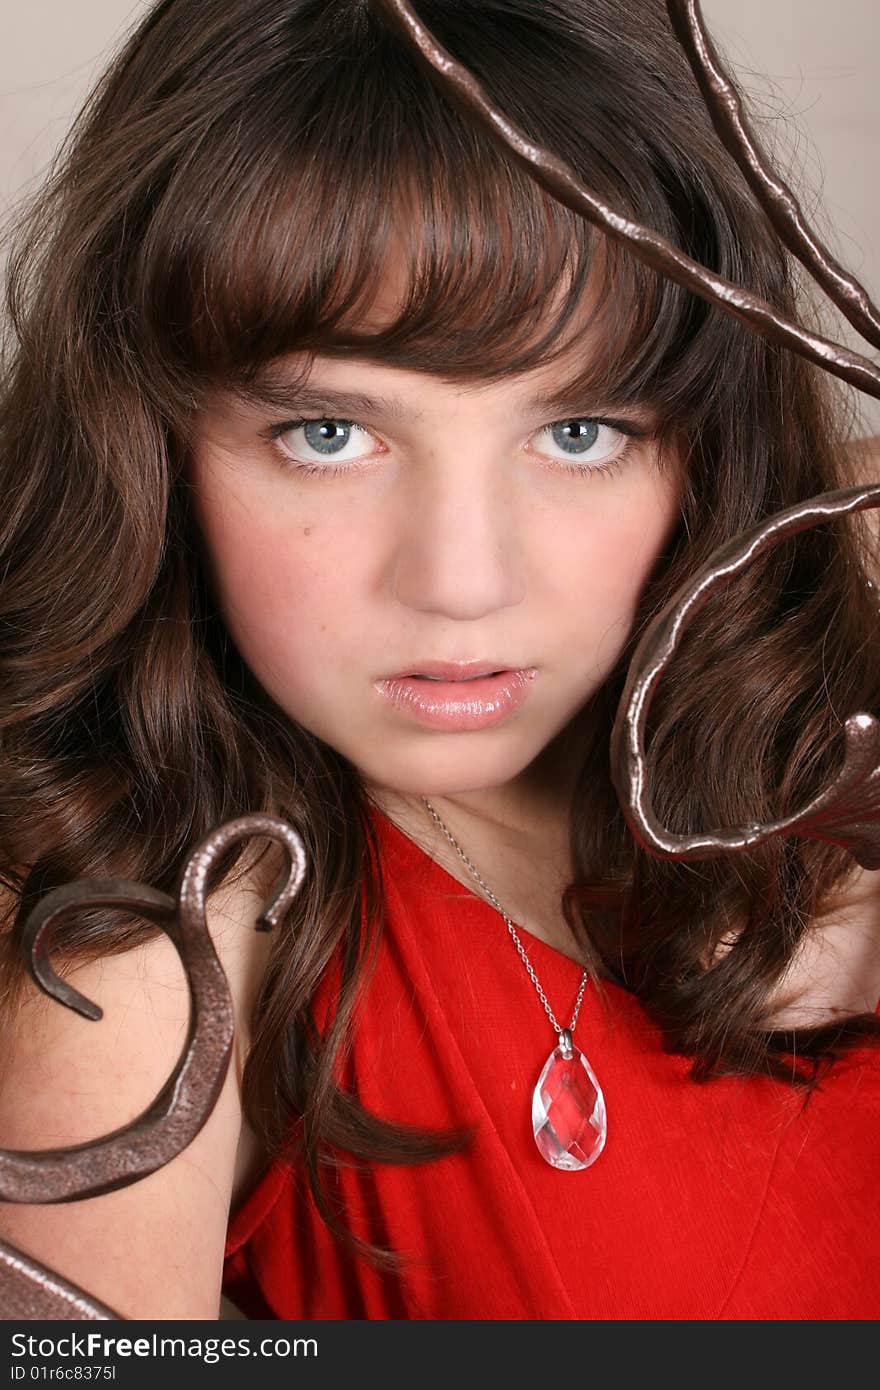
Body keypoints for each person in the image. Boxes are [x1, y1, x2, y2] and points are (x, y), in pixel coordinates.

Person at [1, 0, 879, 1322]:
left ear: (711, 441)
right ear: (153, 441)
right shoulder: (142, 955)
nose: (462, 581)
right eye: (328, 432)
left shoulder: (815, 701)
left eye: (581, 430)